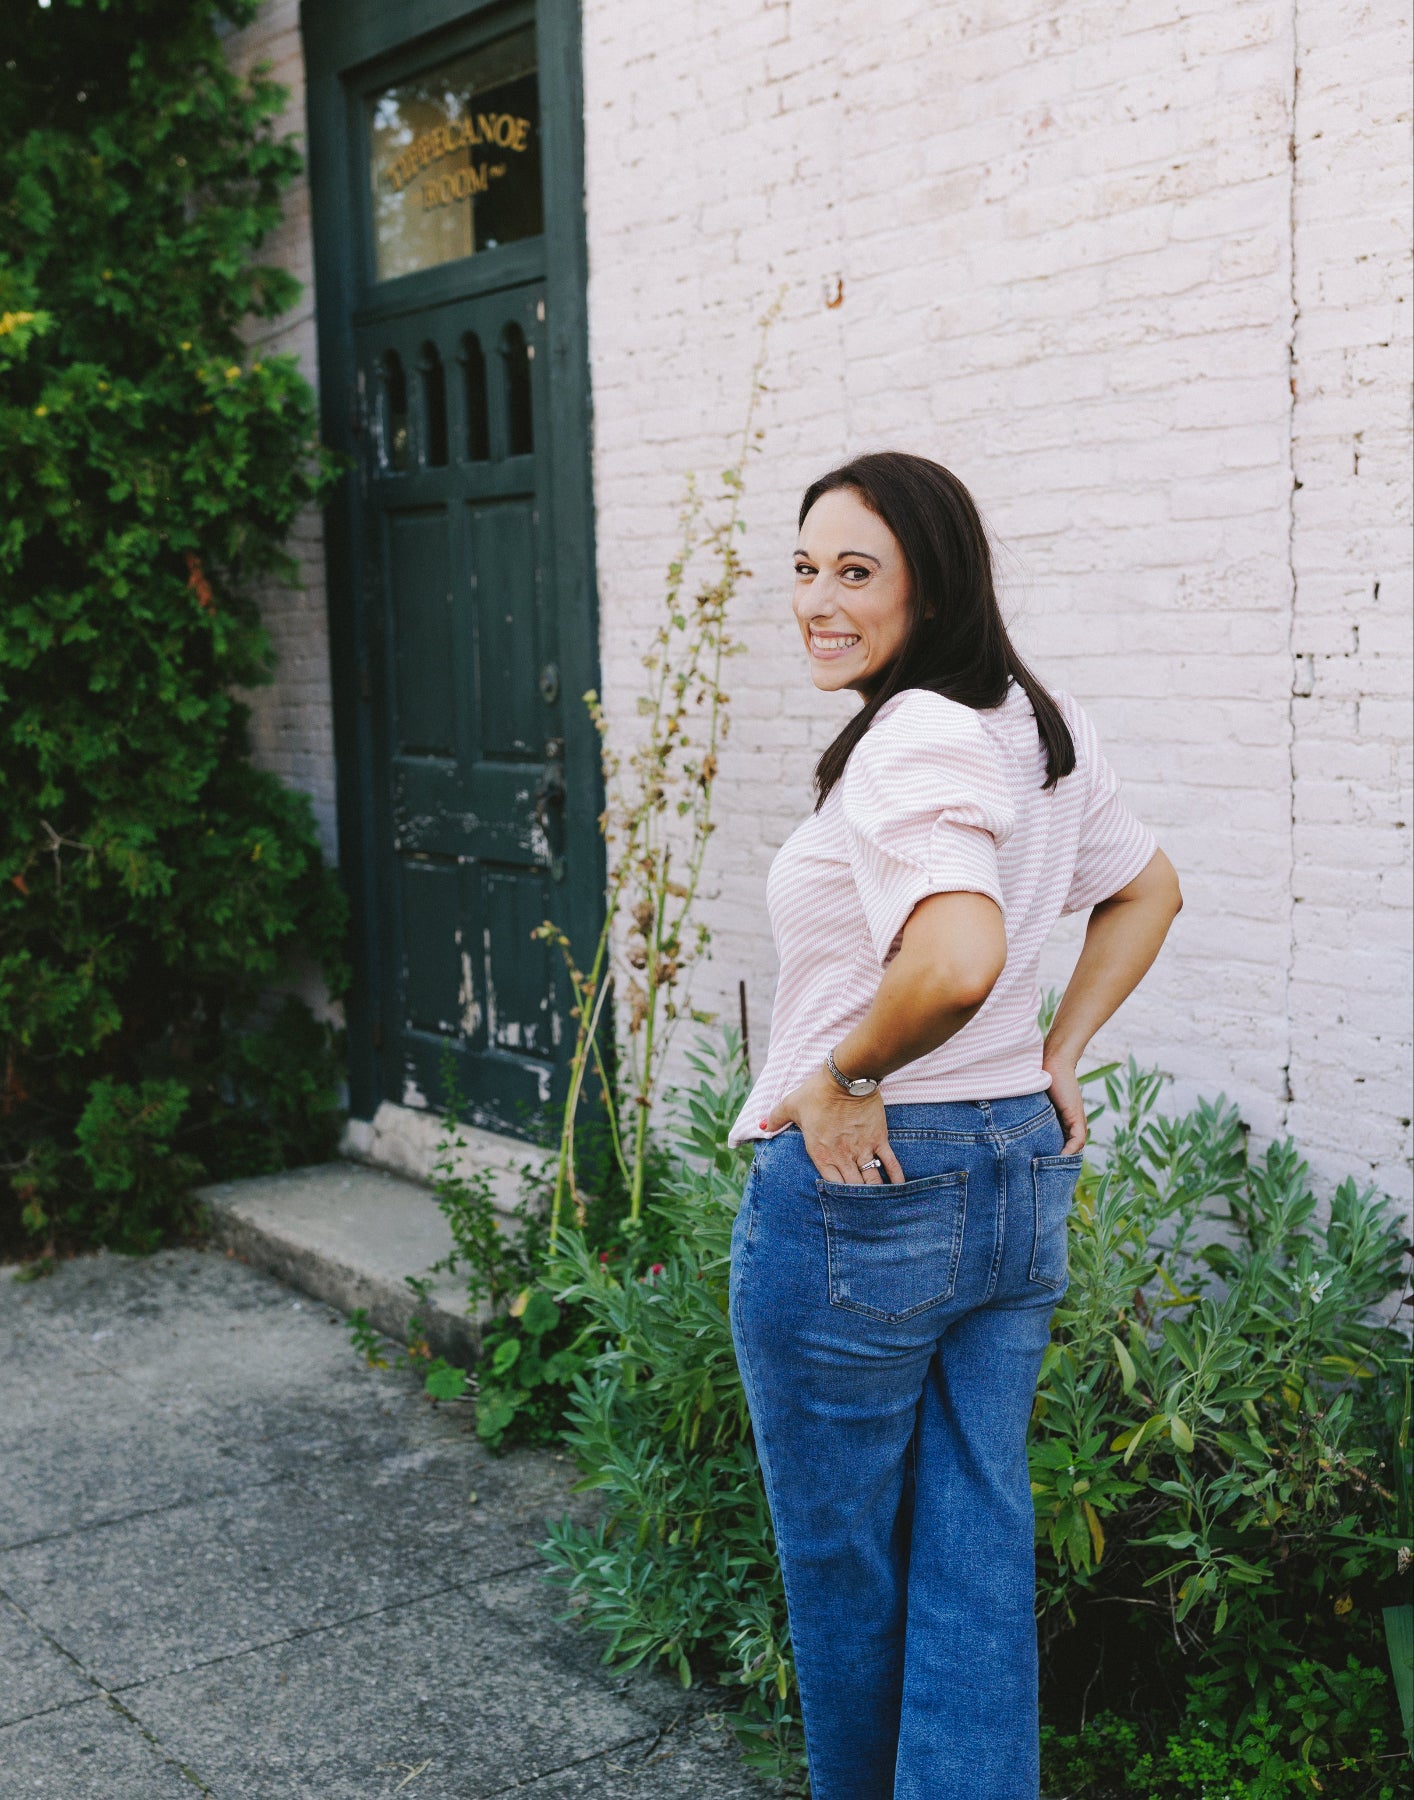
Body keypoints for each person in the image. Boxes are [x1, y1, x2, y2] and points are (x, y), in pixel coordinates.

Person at [727, 452, 1182, 1800]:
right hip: (1007, 1177)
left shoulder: (915, 731)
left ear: (931, 591)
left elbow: (952, 958)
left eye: (855, 571)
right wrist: (1055, 1055)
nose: (815, 599)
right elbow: (1147, 893)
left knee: (841, 1560)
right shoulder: (1036, 721)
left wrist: (839, 1073)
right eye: (804, 567)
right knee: (975, 1538)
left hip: (869, 1189)